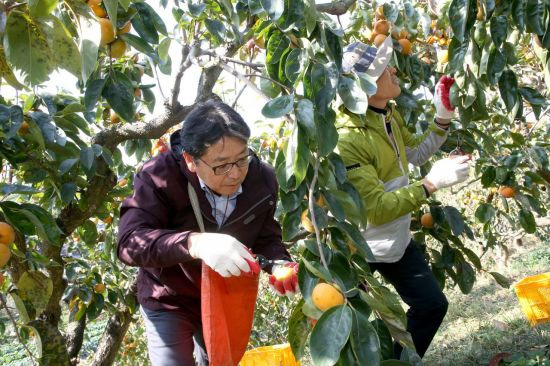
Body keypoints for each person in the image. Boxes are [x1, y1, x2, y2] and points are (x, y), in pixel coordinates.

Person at [117, 100, 298, 366]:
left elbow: (266, 237)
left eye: (242, 159)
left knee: (219, 361)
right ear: (191, 160)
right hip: (169, 297)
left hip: (223, 297)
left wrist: (279, 262)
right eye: (221, 165)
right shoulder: (159, 176)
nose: (234, 173)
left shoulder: (262, 179)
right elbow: (130, 242)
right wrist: (195, 244)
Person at [337, 37, 471, 359]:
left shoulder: (387, 114)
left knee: (431, 305)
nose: (394, 68)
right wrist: (430, 184)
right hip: (361, 248)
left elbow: (415, 151)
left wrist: (442, 118)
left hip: (394, 240)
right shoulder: (349, 138)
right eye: (385, 68)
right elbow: (375, 210)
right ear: (364, 86)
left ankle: (400, 362)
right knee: (360, 331)